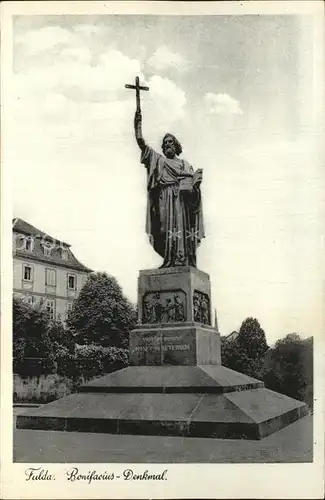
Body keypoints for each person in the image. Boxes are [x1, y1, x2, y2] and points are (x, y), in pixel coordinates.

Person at [134, 109, 205, 267]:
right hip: (164, 200)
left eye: (170, 142)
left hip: (181, 202)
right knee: (164, 231)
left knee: (181, 230)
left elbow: (193, 194)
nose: (167, 145)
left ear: (176, 145)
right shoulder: (158, 160)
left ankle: (181, 259)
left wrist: (196, 185)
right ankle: (169, 259)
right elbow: (141, 143)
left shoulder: (185, 164)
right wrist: (137, 125)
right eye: (165, 143)